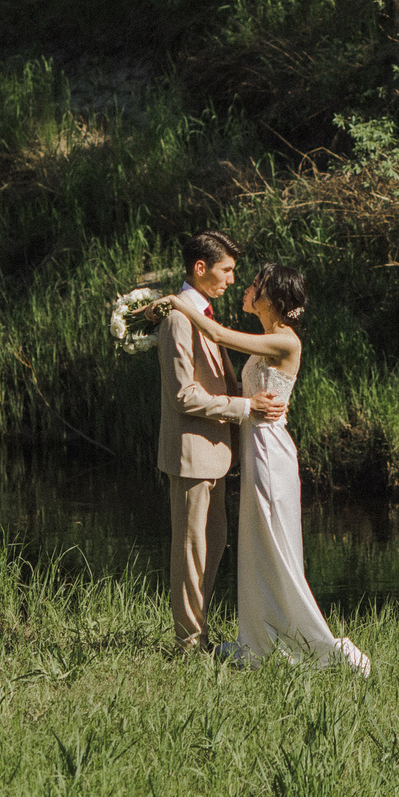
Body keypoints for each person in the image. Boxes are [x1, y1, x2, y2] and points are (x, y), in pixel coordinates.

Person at [188, 264, 372, 676]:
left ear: (271, 298)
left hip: (270, 451)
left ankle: (324, 649)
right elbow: (250, 386)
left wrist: (176, 303)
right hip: (258, 448)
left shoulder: (285, 341)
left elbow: (218, 335)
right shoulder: (268, 340)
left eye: (256, 284)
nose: (247, 288)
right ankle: (259, 642)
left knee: (275, 545)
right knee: (258, 544)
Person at [156, 231, 287, 653]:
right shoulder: (179, 318)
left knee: (213, 545)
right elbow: (183, 395)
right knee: (192, 549)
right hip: (190, 453)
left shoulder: (199, 315)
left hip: (215, 453)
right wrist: (246, 407)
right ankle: (188, 643)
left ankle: (199, 634)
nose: (232, 279)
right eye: (226, 270)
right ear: (201, 268)